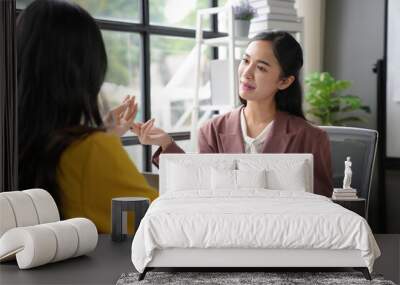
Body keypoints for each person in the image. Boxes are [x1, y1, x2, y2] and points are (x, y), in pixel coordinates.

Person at [131, 31, 333, 197]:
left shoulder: (312, 138)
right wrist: (167, 145)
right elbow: (199, 189)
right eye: (246, 61)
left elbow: (323, 205)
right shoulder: (211, 130)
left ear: (284, 81)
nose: (247, 72)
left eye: (261, 67)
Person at [17, 0, 157, 233]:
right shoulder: (90, 151)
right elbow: (163, 224)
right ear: (87, 68)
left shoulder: (20, 145)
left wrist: (105, 135)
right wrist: (104, 144)